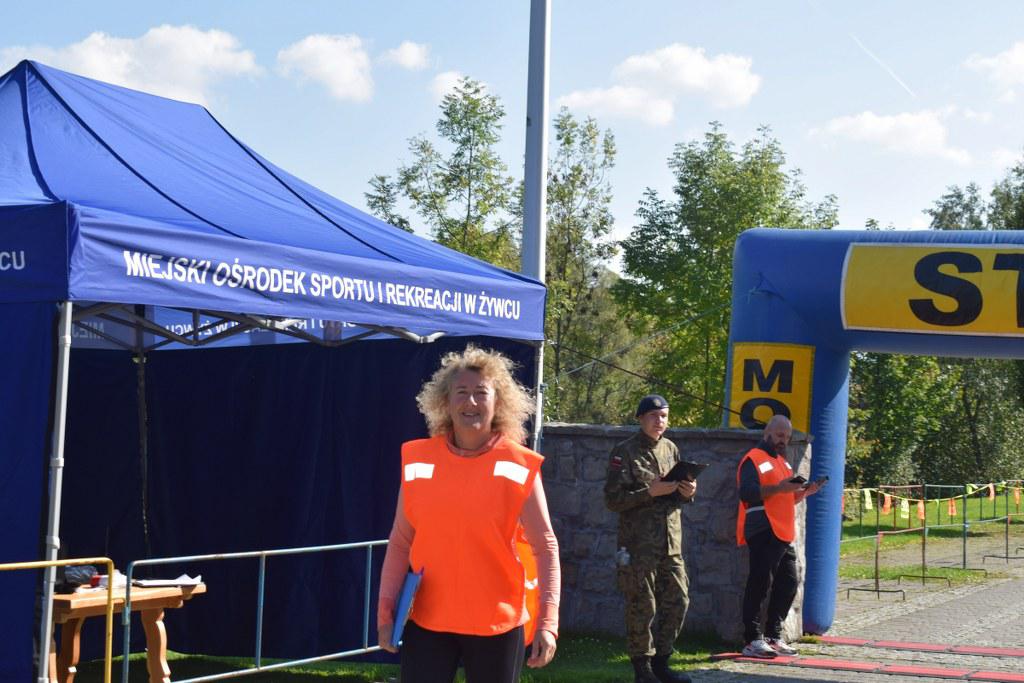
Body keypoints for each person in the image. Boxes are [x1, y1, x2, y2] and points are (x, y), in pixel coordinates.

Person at [376, 346, 560, 683]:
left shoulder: (519, 464)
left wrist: (548, 623)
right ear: (445, 401)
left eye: (481, 393)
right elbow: (401, 542)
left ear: (498, 402)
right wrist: (385, 611)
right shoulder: (419, 460)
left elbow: (546, 547)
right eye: (461, 392)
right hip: (427, 621)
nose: (470, 402)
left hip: (497, 624)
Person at [605, 394, 696, 683]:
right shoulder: (624, 451)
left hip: (671, 544)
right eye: (654, 416)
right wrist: (649, 493)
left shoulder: (671, 448)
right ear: (641, 418)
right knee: (642, 606)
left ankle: (662, 662)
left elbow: (677, 496)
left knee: (678, 600)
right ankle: (642, 669)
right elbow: (612, 499)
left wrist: (687, 492)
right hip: (638, 545)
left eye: (664, 416)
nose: (660, 421)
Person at [736, 414, 824, 658]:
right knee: (759, 583)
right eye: (779, 435)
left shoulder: (783, 463)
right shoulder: (754, 458)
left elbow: (785, 497)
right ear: (767, 433)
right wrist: (780, 488)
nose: (783, 440)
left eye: (787, 436)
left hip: (782, 532)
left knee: (788, 583)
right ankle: (752, 640)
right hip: (763, 528)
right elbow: (747, 493)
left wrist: (805, 492)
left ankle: (773, 636)